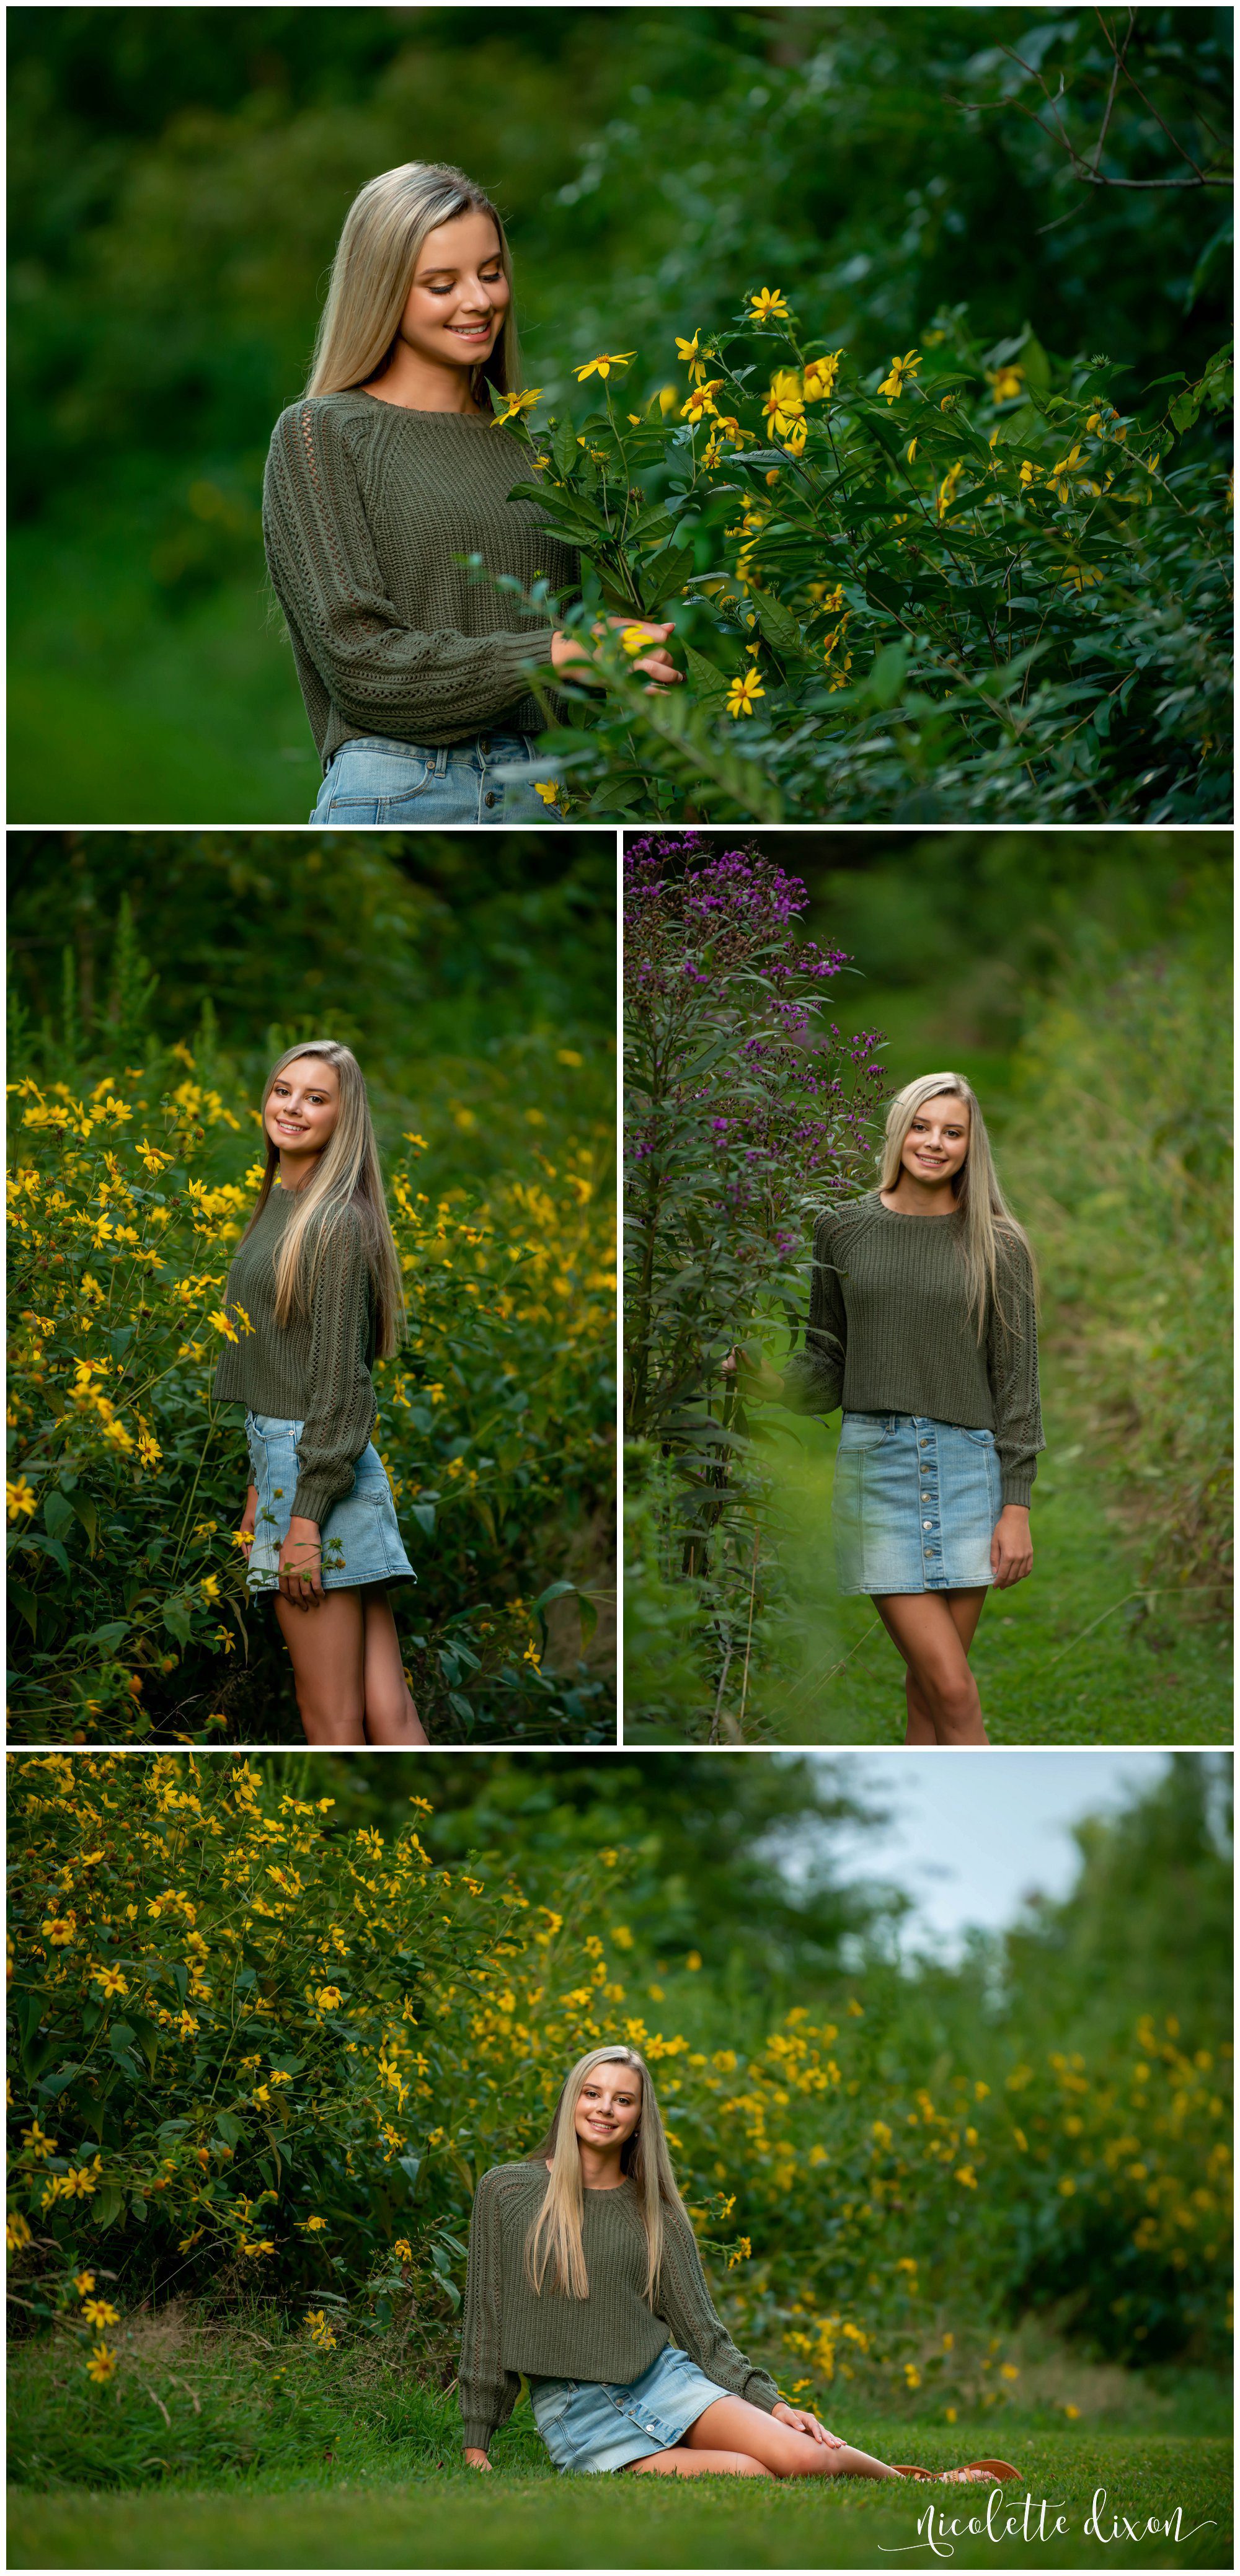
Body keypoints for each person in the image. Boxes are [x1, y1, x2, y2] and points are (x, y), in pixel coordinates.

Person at [263, 160, 681, 824]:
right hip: (403, 785)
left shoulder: (538, 449)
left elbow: (586, 650)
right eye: (441, 284)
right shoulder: (321, 435)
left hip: (550, 786)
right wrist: (551, 654)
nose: (479, 300)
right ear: (381, 291)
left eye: (490, 273)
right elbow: (361, 664)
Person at [459, 2043, 1016, 2482]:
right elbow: (486, 2323)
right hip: (578, 2413)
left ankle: (916, 2483)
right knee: (748, 2474)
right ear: (570, 2101)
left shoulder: (657, 2214)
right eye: (592, 2093)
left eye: (623, 2100)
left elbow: (704, 2338)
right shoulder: (508, 2193)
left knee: (802, 2460)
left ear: (638, 2118)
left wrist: (773, 2405)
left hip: (662, 2381)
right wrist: (476, 2444)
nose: (605, 2109)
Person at [725, 1073, 1043, 1747]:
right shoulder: (840, 1229)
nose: (934, 1143)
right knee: (952, 1689)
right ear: (898, 1130)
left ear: (969, 1144)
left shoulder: (998, 1244)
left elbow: (1016, 1384)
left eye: (951, 1132)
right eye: (921, 1126)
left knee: (929, 1687)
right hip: (878, 1468)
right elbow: (827, 1365)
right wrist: (765, 1381)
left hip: (968, 1471)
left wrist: (1014, 1505)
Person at [213, 1039, 427, 1745]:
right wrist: (258, 1486)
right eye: (283, 1090)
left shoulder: (333, 1221)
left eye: (315, 1097)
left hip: (315, 1471)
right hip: (303, 1464)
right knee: (385, 1708)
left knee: (330, 1718)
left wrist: (301, 1518)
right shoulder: (283, 1201)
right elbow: (282, 1364)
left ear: (345, 1117)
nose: (293, 1107)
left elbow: (341, 1383)